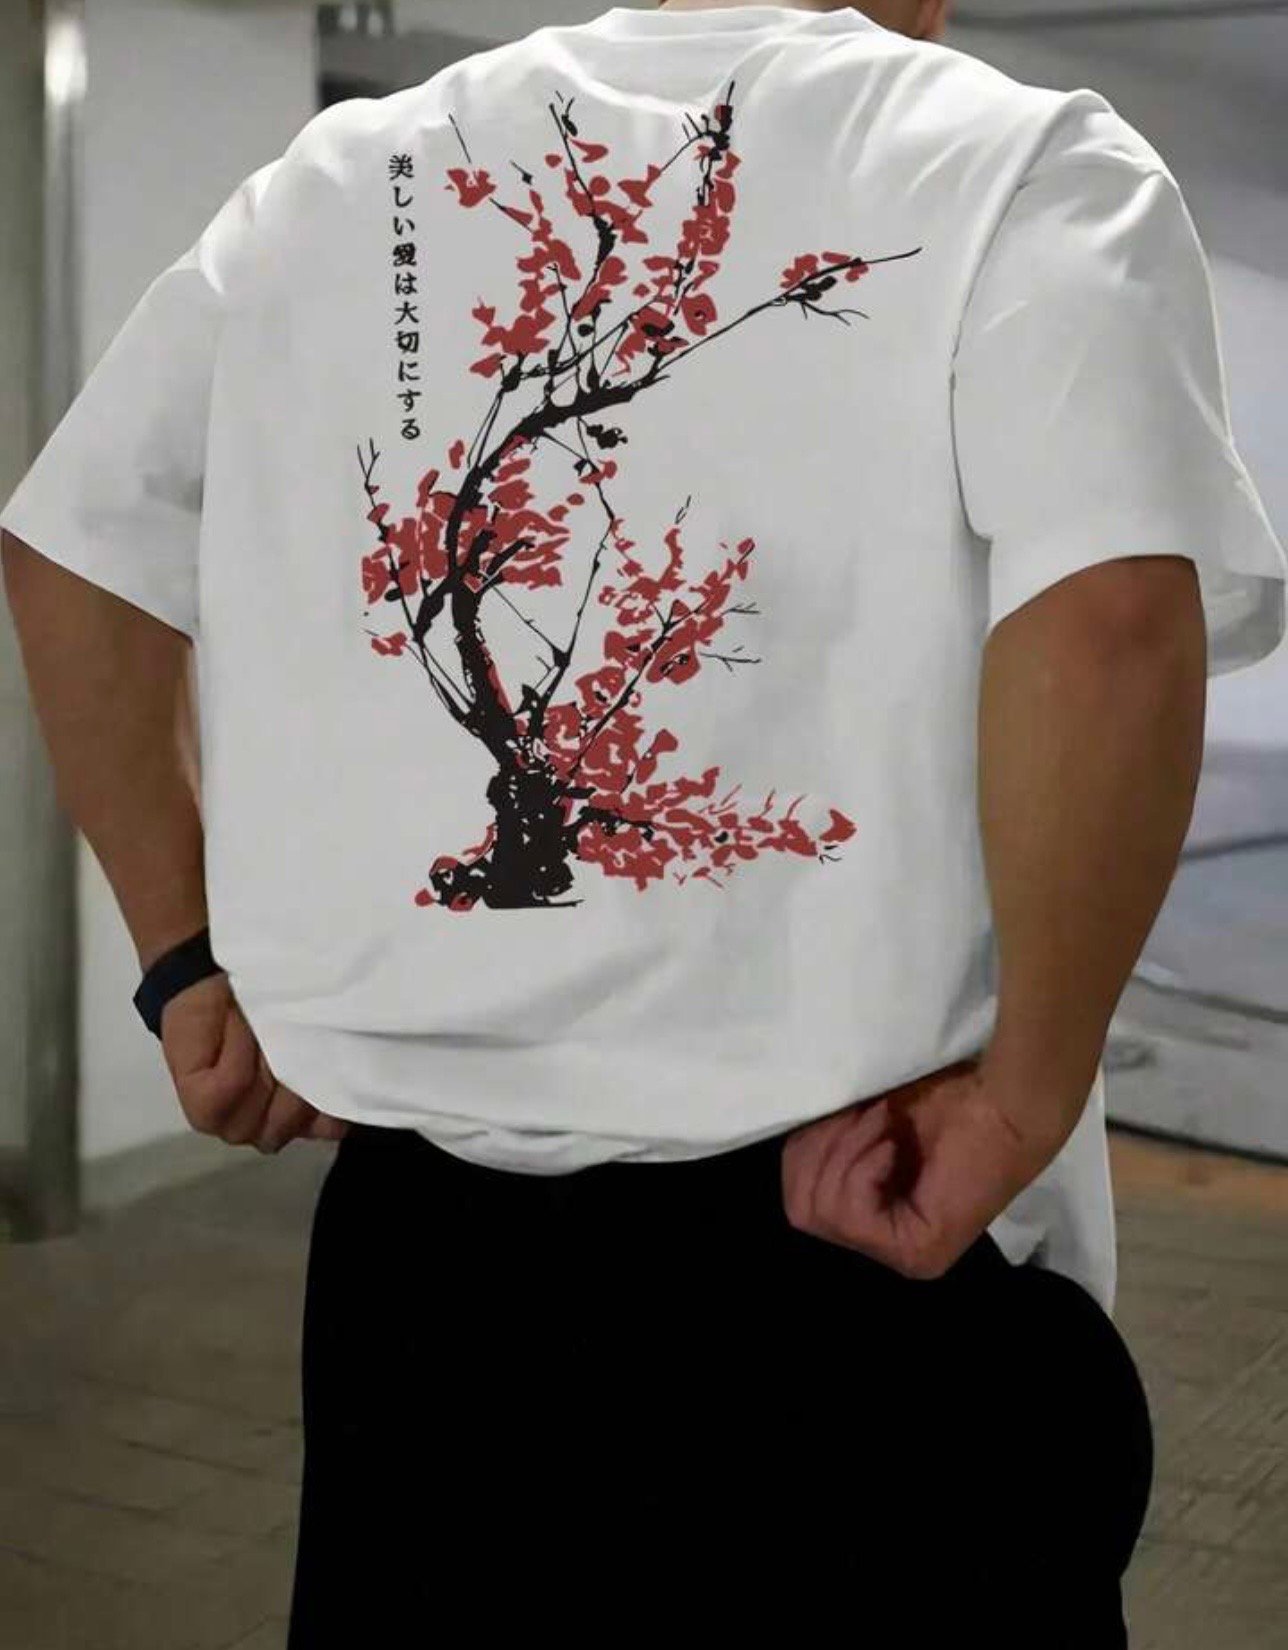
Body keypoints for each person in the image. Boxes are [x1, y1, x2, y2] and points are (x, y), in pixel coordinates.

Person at [3, 0, 1285, 1642]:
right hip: (859, 1213)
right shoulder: (1020, 162)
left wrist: (184, 961)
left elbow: (68, 552)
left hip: (424, 1274)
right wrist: (1026, 1091)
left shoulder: (330, 179)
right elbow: (1108, 619)